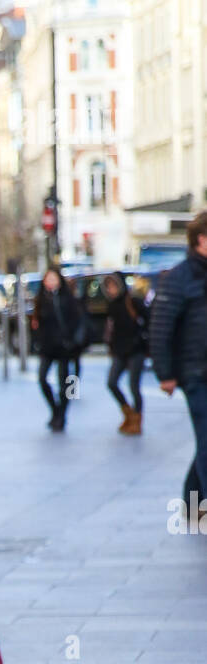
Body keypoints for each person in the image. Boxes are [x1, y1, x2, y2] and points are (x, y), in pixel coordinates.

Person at [149, 209, 207, 506]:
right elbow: (161, 329)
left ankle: (193, 499)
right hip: (196, 373)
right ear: (202, 240)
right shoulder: (179, 278)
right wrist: (165, 374)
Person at [31, 269, 85, 432]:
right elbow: (36, 324)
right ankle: (55, 410)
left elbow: (77, 321)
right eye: (49, 279)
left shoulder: (67, 299)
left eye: (54, 278)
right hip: (47, 347)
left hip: (65, 347)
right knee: (42, 378)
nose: (51, 282)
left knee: (66, 384)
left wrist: (73, 341)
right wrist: (37, 341)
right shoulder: (41, 300)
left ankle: (62, 414)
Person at [102, 272, 150, 435]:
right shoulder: (111, 304)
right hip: (119, 351)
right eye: (108, 286)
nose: (111, 289)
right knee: (112, 382)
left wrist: (141, 339)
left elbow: (148, 320)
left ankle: (137, 419)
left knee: (134, 386)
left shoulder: (133, 301)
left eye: (114, 285)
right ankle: (128, 413)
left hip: (136, 350)